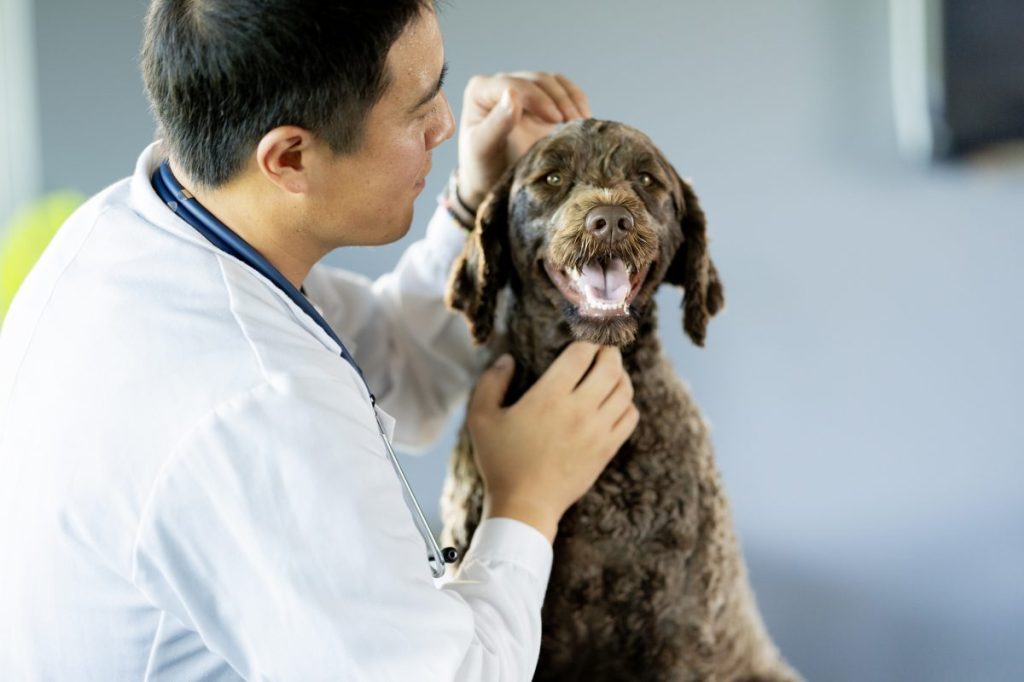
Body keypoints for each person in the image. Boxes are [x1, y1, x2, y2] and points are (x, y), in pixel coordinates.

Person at [0, 1, 639, 679]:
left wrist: (470, 202)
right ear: (290, 156)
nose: (447, 125)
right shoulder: (252, 405)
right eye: (418, 108)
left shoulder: (138, 227)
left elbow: (392, 360)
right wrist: (528, 499)